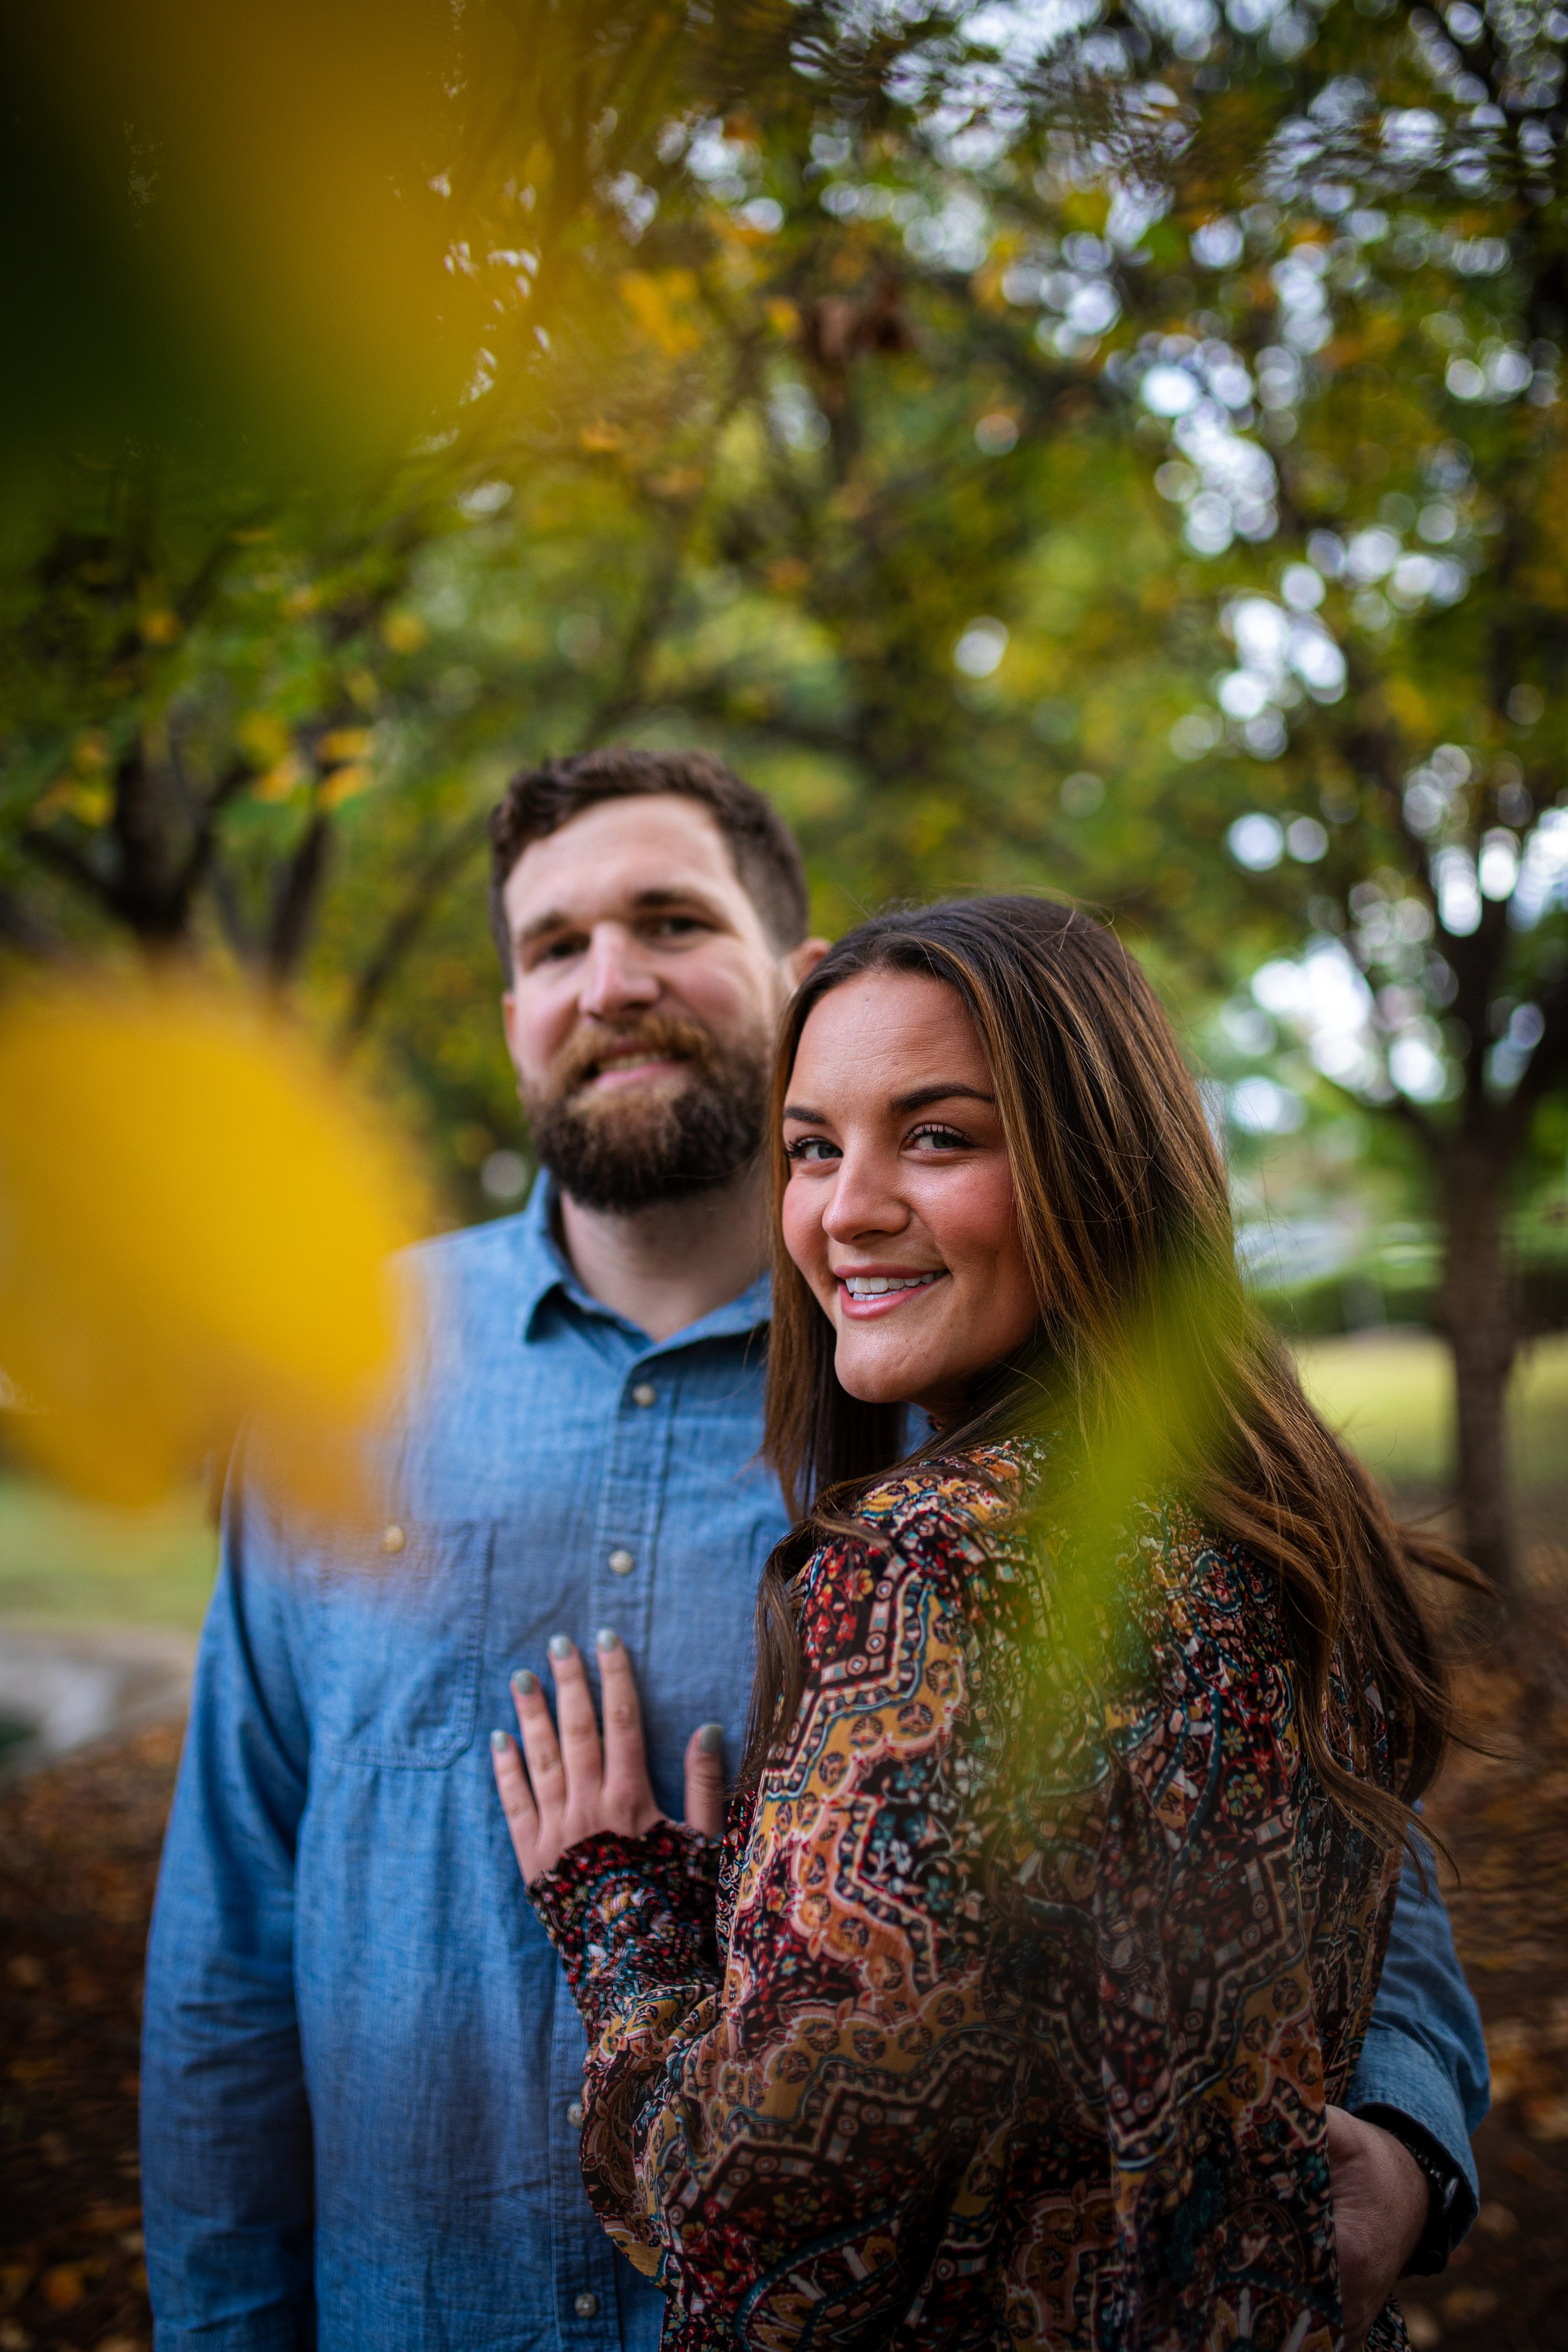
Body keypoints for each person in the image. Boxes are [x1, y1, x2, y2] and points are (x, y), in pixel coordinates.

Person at [141, 754, 1485, 2352]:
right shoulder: (332, 1370)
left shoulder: (984, 1420)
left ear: (796, 977)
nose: (610, 979)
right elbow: (229, 1954)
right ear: (509, 1012)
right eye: (552, 946)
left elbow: (1347, 1847)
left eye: (667, 918)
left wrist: (1406, 2141)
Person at [497, 895, 1487, 2350]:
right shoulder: (1275, 1521)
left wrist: (628, 1925)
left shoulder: (939, 1568)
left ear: (1098, 1169)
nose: (847, 1210)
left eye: (939, 1137)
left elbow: (754, 2228)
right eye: (814, 1147)